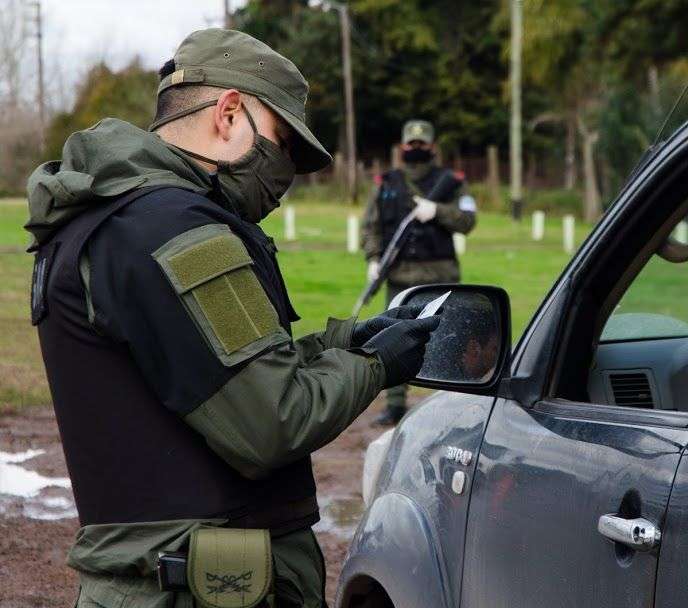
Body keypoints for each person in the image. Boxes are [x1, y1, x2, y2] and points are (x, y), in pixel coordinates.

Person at [25, 29, 440, 608]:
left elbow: (208, 373)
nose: (286, 171)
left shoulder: (107, 216)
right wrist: (376, 363)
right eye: (283, 143)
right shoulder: (176, 229)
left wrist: (343, 340)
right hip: (199, 588)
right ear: (227, 113)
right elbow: (273, 421)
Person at [360, 119, 477, 426]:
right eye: (411, 144)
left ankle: (449, 404)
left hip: (441, 275)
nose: (416, 148)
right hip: (399, 277)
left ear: (432, 147)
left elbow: (468, 220)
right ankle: (395, 404)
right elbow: (370, 226)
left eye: (421, 144)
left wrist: (437, 211)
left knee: (449, 341)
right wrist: (373, 258)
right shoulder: (386, 183)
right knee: (392, 339)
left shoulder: (451, 181)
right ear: (402, 147)